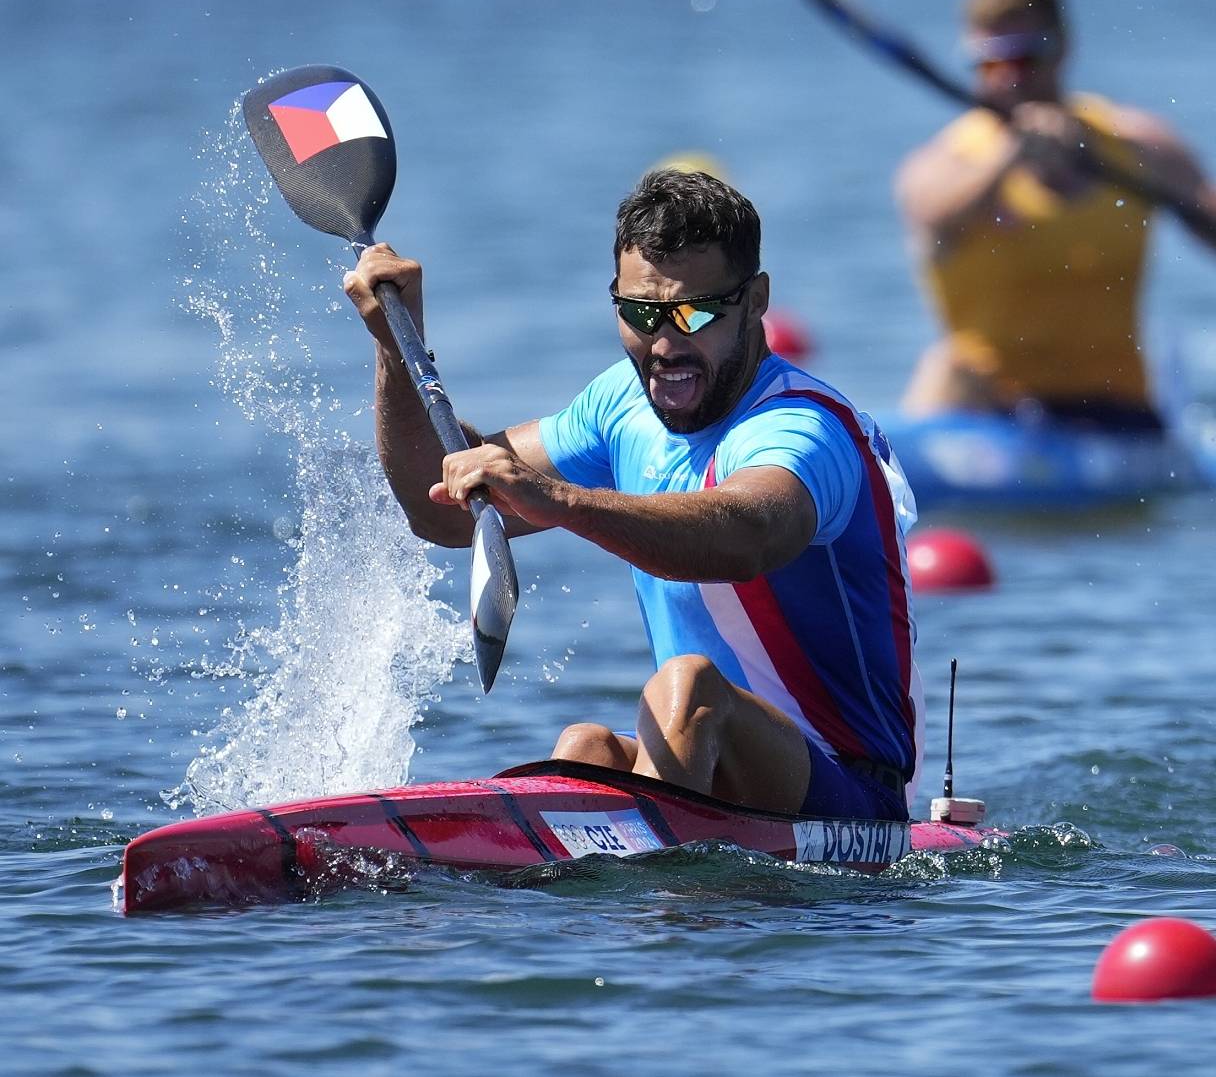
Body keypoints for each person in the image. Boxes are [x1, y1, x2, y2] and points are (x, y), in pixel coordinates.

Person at [343, 169, 921, 821]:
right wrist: (396, 347)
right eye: (641, 314)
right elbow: (440, 512)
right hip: (715, 776)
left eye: (695, 313)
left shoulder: (802, 429)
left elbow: (747, 534)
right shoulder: (619, 403)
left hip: (854, 799)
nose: (665, 346)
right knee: (585, 747)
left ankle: (648, 875)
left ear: (756, 300)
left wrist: (560, 500)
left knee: (689, 688)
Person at [897, 0, 1216, 431]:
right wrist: (1011, 152)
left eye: (1024, 59)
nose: (1007, 80)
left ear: (1063, 48)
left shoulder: (1137, 147)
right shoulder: (942, 166)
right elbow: (935, 217)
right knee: (945, 368)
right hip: (988, 416)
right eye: (989, 63)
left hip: (1117, 417)